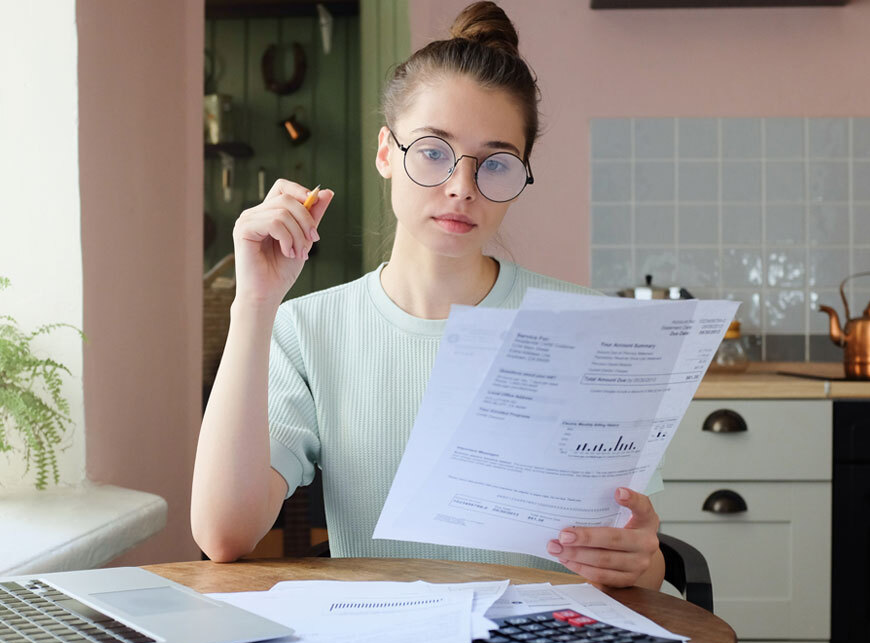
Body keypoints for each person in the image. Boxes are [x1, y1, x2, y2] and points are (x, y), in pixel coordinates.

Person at [191, 1, 664, 591]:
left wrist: (640, 560)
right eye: (434, 152)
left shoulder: (589, 328)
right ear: (387, 152)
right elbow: (224, 535)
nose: (462, 188)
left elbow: (645, 573)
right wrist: (254, 305)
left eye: (496, 163)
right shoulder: (308, 329)